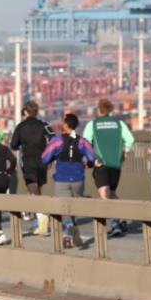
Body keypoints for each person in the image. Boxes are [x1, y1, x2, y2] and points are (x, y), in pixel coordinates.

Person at [42, 113, 96, 248]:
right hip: (78, 178)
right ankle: (67, 237)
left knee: (64, 207)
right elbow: (91, 158)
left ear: (66, 125)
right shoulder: (82, 141)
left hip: (62, 178)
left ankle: (70, 228)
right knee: (72, 207)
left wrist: (53, 158)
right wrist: (86, 165)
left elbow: (45, 158)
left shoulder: (57, 141)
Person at [83, 99, 134, 238]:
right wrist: (126, 151)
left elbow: (85, 143)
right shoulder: (119, 124)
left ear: (99, 110)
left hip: (101, 164)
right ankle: (121, 218)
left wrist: (92, 160)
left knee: (105, 194)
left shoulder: (92, 125)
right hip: (116, 165)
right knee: (111, 193)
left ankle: (115, 224)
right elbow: (130, 140)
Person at [10, 100, 54, 234]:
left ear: (26, 112)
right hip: (42, 161)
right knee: (36, 190)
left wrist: (23, 144)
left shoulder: (21, 127)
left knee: (32, 188)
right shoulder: (44, 125)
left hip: (28, 161)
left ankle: (41, 215)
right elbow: (53, 138)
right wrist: (49, 154)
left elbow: (13, 145)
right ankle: (37, 223)